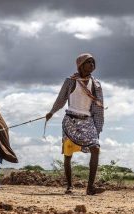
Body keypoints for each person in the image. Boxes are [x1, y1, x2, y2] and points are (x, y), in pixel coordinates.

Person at [45, 53, 105, 195]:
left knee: (95, 148)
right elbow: (61, 99)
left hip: (87, 120)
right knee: (68, 153)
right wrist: (52, 112)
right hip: (70, 120)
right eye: (88, 62)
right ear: (80, 65)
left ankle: (90, 187)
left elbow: (99, 106)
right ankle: (70, 186)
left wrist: (98, 125)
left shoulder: (96, 84)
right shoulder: (70, 81)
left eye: (93, 62)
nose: (92, 65)